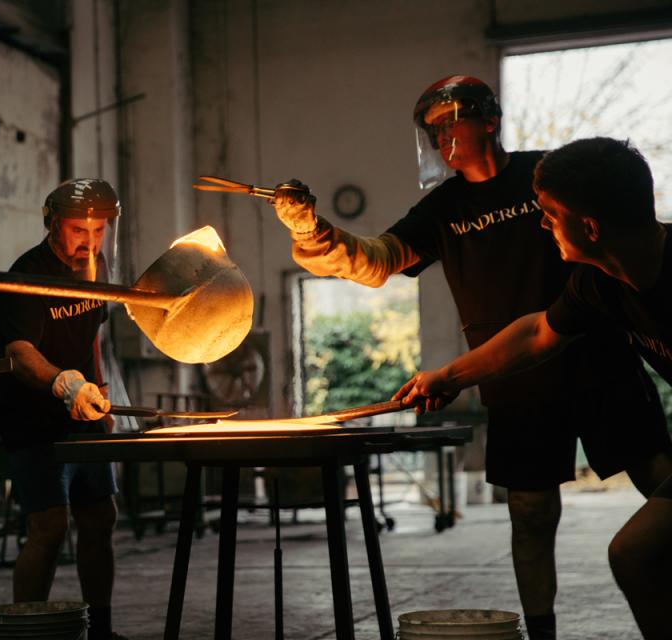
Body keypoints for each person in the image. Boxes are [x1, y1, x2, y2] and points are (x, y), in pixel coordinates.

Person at [272, 76, 672, 639]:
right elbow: (377, 260)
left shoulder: (548, 179)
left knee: (659, 477)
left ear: (489, 119)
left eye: (449, 122)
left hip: (596, 356)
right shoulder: (442, 210)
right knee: (530, 515)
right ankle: (542, 633)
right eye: (432, 130)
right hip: (511, 374)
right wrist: (315, 234)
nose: (441, 138)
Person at [394, 136, 672, 640]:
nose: (541, 225)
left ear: (589, 226)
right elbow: (537, 334)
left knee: (642, 550)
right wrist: (448, 377)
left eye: (549, 214)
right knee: (635, 554)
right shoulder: (599, 281)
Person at [0, 178, 125, 640]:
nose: (88, 242)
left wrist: (99, 392)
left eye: (99, 231)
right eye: (78, 231)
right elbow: (21, 352)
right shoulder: (26, 274)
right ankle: (28, 630)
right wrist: (64, 384)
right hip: (32, 414)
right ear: (51, 224)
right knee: (49, 526)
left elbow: (91, 336)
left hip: (84, 412)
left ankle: (100, 630)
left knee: (100, 517)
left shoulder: (96, 265)